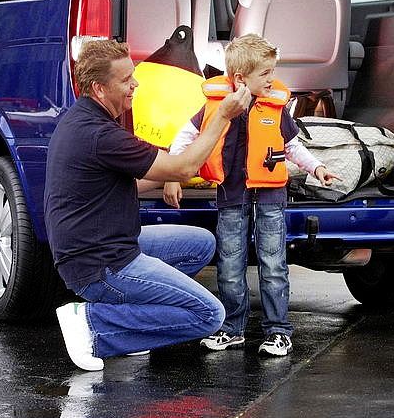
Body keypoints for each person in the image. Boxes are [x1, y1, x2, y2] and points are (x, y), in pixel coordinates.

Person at [44, 39, 252, 372]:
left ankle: (132, 328)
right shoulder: (101, 134)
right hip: (101, 265)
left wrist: (168, 175)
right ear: (99, 88)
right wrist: (222, 116)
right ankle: (94, 325)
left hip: (99, 248)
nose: (136, 84)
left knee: (201, 244)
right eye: (126, 80)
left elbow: (136, 180)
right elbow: (184, 166)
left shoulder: (83, 119)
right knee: (209, 314)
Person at [163, 34, 339, 357]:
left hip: (271, 196)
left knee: (273, 263)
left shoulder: (276, 107)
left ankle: (278, 331)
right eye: (265, 74)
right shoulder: (215, 106)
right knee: (230, 264)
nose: (271, 80)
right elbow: (184, 135)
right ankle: (233, 329)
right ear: (241, 79)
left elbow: (292, 146)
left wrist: (316, 168)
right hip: (231, 193)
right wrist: (174, 175)